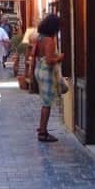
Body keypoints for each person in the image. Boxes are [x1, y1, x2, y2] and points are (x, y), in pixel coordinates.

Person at [33, 13, 63, 142]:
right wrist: (60, 57)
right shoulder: (49, 40)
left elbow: (34, 54)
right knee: (47, 104)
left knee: (45, 102)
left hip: (39, 69)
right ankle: (43, 132)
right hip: (47, 72)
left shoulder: (39, 38)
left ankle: (41, 128)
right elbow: (50, 60)